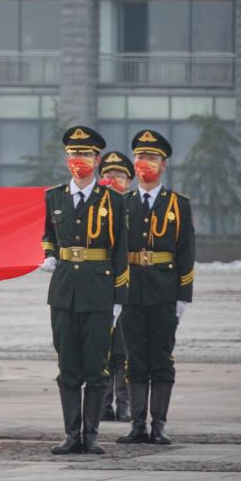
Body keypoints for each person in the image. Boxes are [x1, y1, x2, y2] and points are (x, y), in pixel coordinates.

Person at [39, 126, 128, 454]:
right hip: (64, 292)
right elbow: (48, 234)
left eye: (86, 154)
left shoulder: (113, 200)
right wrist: (50, 254)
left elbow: (121, 253)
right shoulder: (54, 196)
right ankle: (70, 434)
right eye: (74, 154)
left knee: (96, 365)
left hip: (98, 291)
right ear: (67, 159)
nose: (79, 159)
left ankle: (90, 435)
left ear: (97, 159)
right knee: (68, 365)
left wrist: (119, 298)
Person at [117, 129, 195, 446]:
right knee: (134, 358)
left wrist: (183, 296)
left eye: (151, 157)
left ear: (164, 164)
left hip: (164, 291)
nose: (143, 163)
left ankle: (159, 424)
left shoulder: (178, 204)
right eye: (139, 156)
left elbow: (186, 251)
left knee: (161, 359)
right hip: (131, 291)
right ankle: (137, 425)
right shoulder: (122, 203)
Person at [97, 151, 136, 423]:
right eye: (108, 175)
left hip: (130, 283)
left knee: (123, 347)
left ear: (129, 180)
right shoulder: (94, 205)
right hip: (100, 282)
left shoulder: (135, 205)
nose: (113, 179)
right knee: (102, 345)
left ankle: (124, 403)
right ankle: (103, 403)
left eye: (119, 175)